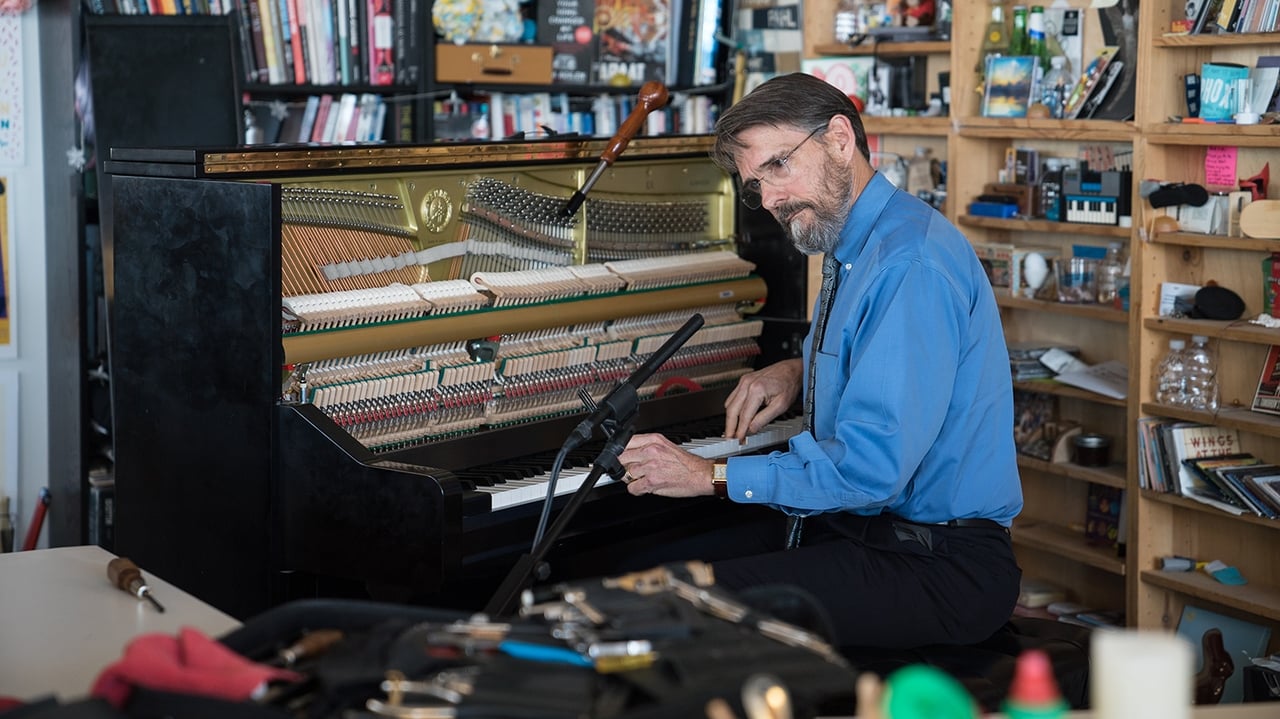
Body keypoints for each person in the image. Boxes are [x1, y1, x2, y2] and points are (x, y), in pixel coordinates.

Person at [613, 72, 1024, 650]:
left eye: (777, 166)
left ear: (838, 138)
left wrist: (711, 475)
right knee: (643, 569)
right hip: (879, 536)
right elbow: (889, 357)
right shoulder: (862, 239)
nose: (770, 201)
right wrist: (799, 371)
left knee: (666, 612)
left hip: (940, 566)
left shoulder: (908, 264)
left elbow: (869, 472)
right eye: (755, 185)